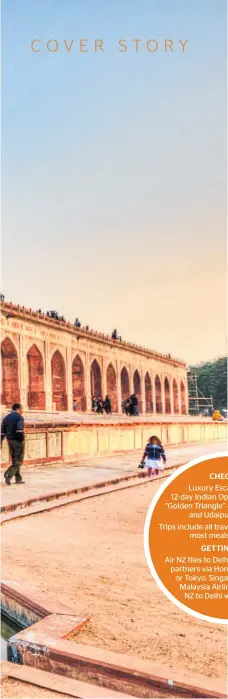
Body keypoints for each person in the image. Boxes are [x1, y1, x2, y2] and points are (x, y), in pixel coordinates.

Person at [1, 403, 25, 485]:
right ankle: (8, 474)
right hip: (17, 441)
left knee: (15, 459)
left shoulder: (6, 418)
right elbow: (19, 430)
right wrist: (21, 440)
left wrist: (0, 442)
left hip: (9, 441)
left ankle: (18, 479)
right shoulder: (19, 417)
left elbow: (2, 433)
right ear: (18, 409)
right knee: (19, 460)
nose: (23, 411)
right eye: (22, 409)